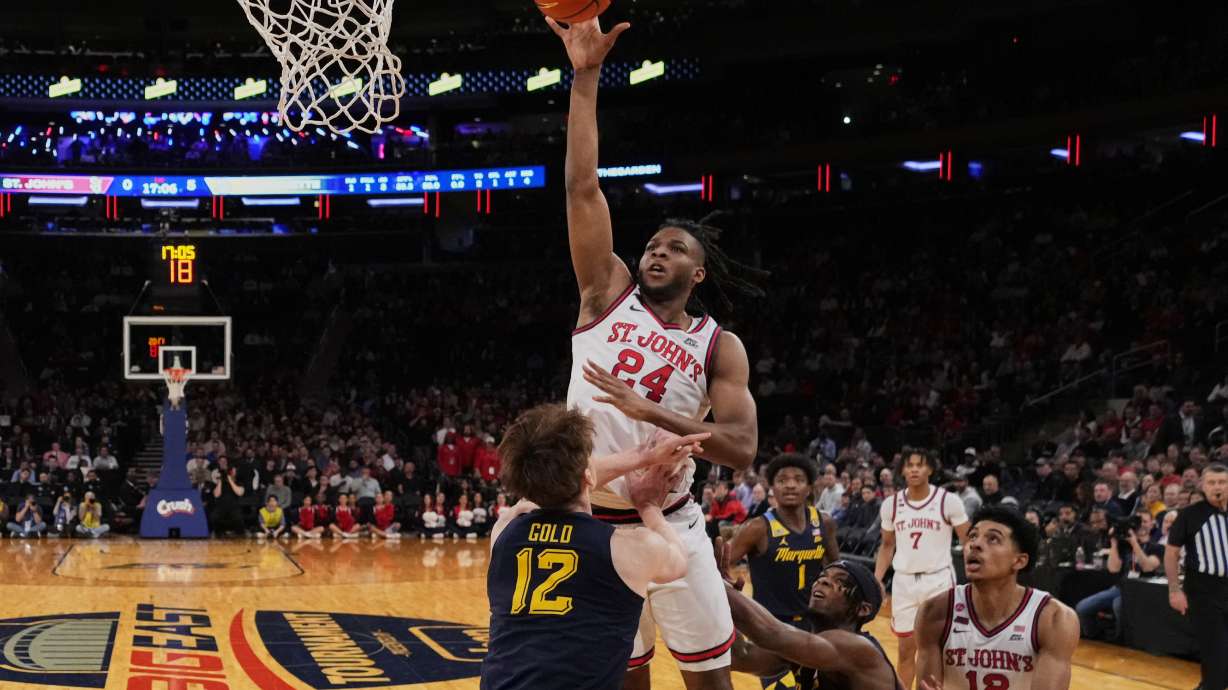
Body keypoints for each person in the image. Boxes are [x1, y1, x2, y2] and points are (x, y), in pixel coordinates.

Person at [551, 15, 764, 690]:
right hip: (588, 520)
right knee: (621, 677)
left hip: (670, 521)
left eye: (676, 247)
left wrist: (655, 410)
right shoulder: (605, 293)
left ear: (698, 273)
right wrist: (585, 76)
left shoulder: (718, 345)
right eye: (652, 244)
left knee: (708, 678)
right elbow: (582, 189)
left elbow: (740, 447)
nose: (656, 251)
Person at [480, 404, 702, 690]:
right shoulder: (629, 549)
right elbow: (679, 562)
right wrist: (649, 507)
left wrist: (642, 456)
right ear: (588, 476)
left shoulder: (504, 531)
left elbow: (547, 484)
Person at [915, 506, 1080, 690]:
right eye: (973, 536)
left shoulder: (1053, 619)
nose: (975, 544)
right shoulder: (935, 612)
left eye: (993, 539)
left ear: (1019, 561)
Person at [725, 454, 839, 689]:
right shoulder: (757, 528)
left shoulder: (823, 523)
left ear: (810, 487)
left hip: (814, 626)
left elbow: (836, 570)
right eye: (782, 480)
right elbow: (719, 565)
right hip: (771, 628)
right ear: (772, 488)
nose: (790, 484)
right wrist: (728, 592)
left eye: (798, 479)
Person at [717, 548, 903, 690]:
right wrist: (720, 605)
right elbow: (740, 656)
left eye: (840, 581)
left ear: (862, 609)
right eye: (822, 576)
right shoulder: (809, 646)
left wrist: (713, 582)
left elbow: (771, 633)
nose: (823, 581)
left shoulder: (857, 648)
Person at [873, 449, 970, 688]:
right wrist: (876, 579)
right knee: (906, 650)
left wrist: (976, 580)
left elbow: (969, 542)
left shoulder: (948, 501)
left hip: (938, 579)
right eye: (910, 465)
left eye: (920, 465)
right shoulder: (891, 505)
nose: (914, 469)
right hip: (904, 581)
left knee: (936, 649)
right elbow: (887, 546)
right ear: (903, 470)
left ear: (930, 470)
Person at [1164, 463, 1228, 690]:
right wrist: (1174, 590)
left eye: (1222, 482)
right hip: (1204, 591)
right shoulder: (1190, 515)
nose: (1217, 487)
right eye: (1212, 482)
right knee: (1216, 656)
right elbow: (1171, 554)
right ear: (1202, 485)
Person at [1074, 510, 1161, 641]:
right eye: (1138, 522)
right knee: (1082, 607)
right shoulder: (1123, 545)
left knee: (1118, 605)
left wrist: (1135, 544)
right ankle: (1095, 638)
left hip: (1142, 590)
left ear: (1152, 524)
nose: (1141, 525)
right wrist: (1114, 543)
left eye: (1144, 521)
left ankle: (1122, 641)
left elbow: (1148, 566)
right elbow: (1113, 569)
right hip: (1120, 588)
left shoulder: (1157, 547)